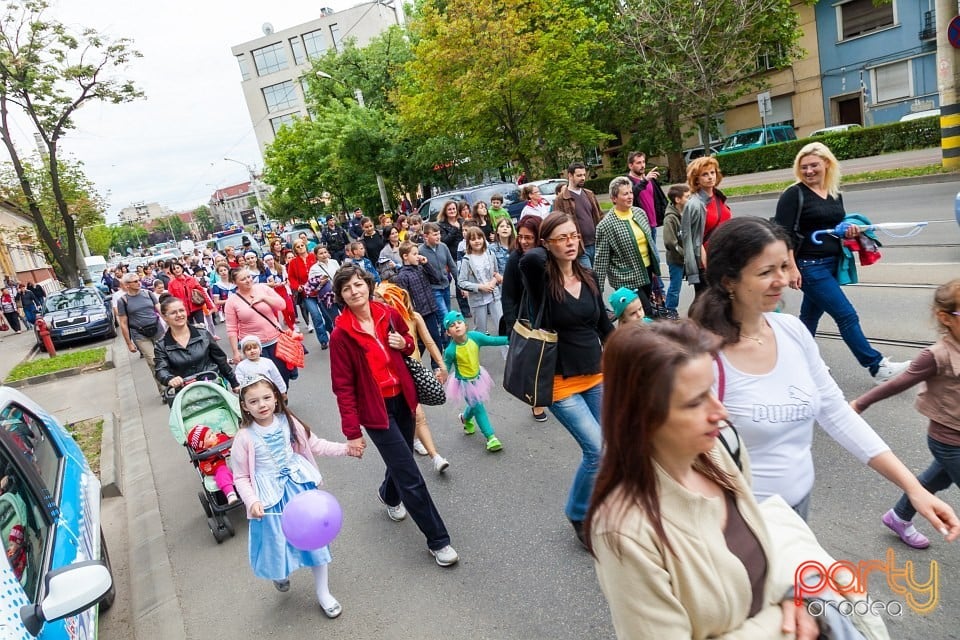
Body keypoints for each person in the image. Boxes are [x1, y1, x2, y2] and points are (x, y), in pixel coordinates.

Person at [688, 217, 960, 533]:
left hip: (798, 509)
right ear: (728, 281)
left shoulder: (791, 331)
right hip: (739, 519)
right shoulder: (703, 355)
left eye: (784, 266)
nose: (782, 280)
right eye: (765, 272)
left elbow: (835, 413)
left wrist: (914, 488)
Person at [587, 321, 822, 640]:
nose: (720, 412)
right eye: (696, 402)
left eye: (712, 390)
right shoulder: (625, 531)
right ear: (642, 417)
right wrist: (779, 622)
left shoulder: (721, 449)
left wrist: (793, 594)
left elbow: (759, 551)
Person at [329, 264, 459, 567]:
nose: (354, 291)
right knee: (410, 474)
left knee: (401, 463)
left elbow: (407, 341)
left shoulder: (387, 313)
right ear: (341, 296)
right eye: (347, 289)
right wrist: (352, 432)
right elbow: (343, 387)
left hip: (403, 398)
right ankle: (439, 541)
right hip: (375, 411)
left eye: (358, 284)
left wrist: (405, 343)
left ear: (368, 285)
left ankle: (389, 494)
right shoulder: (341, 336)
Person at [775, 141, 908, 383]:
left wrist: (848, 230)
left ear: (827, 164)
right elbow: (783, 234)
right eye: (803, 167)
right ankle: (876, 366)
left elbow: (834, 226)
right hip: (809, 267)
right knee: (846, 315)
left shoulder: (834, 193)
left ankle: (793, 361)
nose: (809, 171)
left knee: (809, 318)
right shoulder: (793, 194)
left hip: (831, 263)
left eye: (814, 165)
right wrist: (791, 267)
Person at [519, 212, 614, 546]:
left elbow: (604, 326)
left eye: (574, 236)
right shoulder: (541, 280)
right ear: (548, 244)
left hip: (596, 372)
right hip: (559, 381)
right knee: (597, 452)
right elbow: (529, 257)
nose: (572, 242)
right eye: (562, 238)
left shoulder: (588, 277)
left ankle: (603, 505)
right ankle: (578, 512)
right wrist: (549, 243)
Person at [232, 376, 361, 617]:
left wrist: (346, 448)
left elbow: (315, 445)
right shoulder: (244, 437)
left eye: (267, 397)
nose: (262, 404)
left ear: (276, 397)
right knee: (276, 544)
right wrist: (253, 501)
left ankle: (323, 593)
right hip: (270, 499)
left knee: (315, 542)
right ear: (244, 406)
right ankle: (278, 573)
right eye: (254, 401)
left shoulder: (288, 421)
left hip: (300, 490)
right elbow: (240, 477)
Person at [852, 278, 960, 549]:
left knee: (934, 479)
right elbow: (899, 383)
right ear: (944, 317)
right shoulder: (936, 355)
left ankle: (898, 517)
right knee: (940, 474)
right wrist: (859, 404)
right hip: (948, 439)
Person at [375, 282, 450, 473]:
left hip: (414, 372)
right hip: (396, 377)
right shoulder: (377, 322)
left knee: (416, 415)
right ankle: (428, 452)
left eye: (382, 298)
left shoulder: (413, 317)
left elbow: (430, 342)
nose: (376, 302)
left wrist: (442, 366)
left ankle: (428, 449)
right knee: (416, 415)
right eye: (376, 297)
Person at [501, 216, 548, 422]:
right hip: (527, 317)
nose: (524, 241)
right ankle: (536, 401)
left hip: (549, 313)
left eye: (529, 237)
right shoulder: (515, 259)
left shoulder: (547, 256)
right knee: (533, 361)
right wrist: (513, 326)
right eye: (520, 237)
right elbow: (508, 295)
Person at [593, 177, 660, 316]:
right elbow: (600, 261)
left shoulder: (639, 213)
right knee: (645, 313)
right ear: (614, 198)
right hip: (626, 279)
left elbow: (650, 244)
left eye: (631, 192)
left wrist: (655, 267)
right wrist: (596, 293)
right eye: (625, 194)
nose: (630, 196)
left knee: (640, 317)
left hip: (646, 272)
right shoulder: (606, 225)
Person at [443, 311, 509, 452]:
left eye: (459, 323)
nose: (457, 326)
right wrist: (440, 376)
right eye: (452, 325)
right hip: (464, 384)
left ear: (465, 326)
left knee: (474, 405)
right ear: (448, 333)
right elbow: (445, 368)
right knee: (479, 407)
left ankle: (465, 418)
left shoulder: (475, 337)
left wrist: (511, 339)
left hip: (479, 377)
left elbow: (492, 341)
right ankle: (491, 437)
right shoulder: (450, 350)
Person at [224, 268, 294, 388]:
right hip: (253, 345)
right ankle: (273, 404)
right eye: (243, 279)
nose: (248, 280)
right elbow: (231, 328)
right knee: (262, 380)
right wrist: (236, 351)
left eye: (249, 277)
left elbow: (282, 305)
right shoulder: (232, 301)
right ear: (235, 282)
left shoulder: (262, 288)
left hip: (276, 340)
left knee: (282, 374)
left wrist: (264, 298)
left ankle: (282, 397)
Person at [154, 296, 239, 391]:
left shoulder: (203, 333)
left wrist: (234, 383)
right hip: (187, 394)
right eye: (173, 313)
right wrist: (169, 379)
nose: (179, 315)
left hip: (214, 387)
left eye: (181, 310)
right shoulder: (161, 345)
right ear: (165, 317)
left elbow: (220, 360)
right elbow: (161, 369)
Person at [681, 156, 731, 299]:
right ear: (696, 179)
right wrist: (707, 266)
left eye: (712, 172)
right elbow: (694, 240)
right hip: (707, 263)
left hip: (724, 258)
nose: (710, 177)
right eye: (705, 174)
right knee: (706, 304)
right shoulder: (694, 204)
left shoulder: (718, 196)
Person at [392, 242, 445, 364]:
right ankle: (413, 364)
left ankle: (435, 366)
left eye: (418, 254)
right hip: (418, 314)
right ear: (405, 256)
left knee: (434, 340)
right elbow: (404, 298)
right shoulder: (402, 276)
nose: (418, 256)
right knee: (422, 343)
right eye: (414, 254)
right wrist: (412, 313)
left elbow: (436, 278)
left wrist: (426, 264)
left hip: (430, 310)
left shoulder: (421, 268)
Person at [117, 272, 165, 396]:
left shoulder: (148, 294)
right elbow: (123, 323)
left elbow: (159, 309)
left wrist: (171, 324)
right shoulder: (123, 301)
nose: (139, 282)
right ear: (127, 285)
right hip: (140, 335)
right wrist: (129, 343)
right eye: (135, 281)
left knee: (167, 357)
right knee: (153, 361)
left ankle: (174, 382)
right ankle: (164, 390)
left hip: (157, 330)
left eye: (139, 280)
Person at [552, 162, 603, 266]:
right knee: (588, 279)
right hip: (579, 248)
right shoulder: (561, 199)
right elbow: (558, 225)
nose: (583, 178)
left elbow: (600, 216)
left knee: (598, 279)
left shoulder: (589, 194)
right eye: (579, 175)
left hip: (597, 244)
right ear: (570, 175)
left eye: (584, 175)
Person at [457, 227, 503, 336]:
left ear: (483, 239)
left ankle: (507, 353)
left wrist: (493, 282)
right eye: (473, 239)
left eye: (479, 238)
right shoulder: (467, 259)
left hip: (494, 295)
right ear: (468, 242)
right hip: (477, 299)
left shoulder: (490, 254)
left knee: (502, 326)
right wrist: (480, 287)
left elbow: (496, 272)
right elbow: (461, 282)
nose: (477, 241)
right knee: (480, 332)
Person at [186, 424, 239, 505]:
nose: (214, 435)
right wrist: (210, 467)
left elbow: (232, 439)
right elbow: (206, 468)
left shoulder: (221, 437)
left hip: (236, 460)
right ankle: (230, 494)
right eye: (210, 436)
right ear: (202, 445)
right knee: (221, 475)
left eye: (212, 433)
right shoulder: (204, 455)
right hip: (222, 467)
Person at [419, 222, 458, 325]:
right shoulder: (420, 251)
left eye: (439, 233)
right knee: (444, 315)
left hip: (445, 286)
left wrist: (459, 283)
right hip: (433, 288)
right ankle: (446, 340)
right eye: (435, 234)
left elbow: (452, 266)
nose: (438, 237)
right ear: (426, 236)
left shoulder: (443, 247)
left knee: (448, 315)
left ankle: (445, 338)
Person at [625, 150, 668, 245]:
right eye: (638, 163)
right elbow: (632, 193)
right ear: (630, 166)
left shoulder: (650, 180)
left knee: (652, 257)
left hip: (652, 225)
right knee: (651, 257)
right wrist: (645, 180)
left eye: (643, 162)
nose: (642, 165)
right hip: (639, 227)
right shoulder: (627, 181)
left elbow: (661, 199)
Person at [661, 183, 690, 319]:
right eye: (687, 197)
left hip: (684, 257)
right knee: (675, 286)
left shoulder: (684, 212)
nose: (690, 200)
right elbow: (669, 242)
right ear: (678, 200)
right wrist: (683, 253)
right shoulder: (670, 218)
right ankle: (670, 309)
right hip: (676, 259)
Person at [167, 261, 213, 327]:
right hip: (183, 310)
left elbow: (202, 292)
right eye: (174, 269)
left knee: (202, 327)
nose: (176, 270)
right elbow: (171, 299)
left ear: (182, 268)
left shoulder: (191, 279)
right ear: (172, 271)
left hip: (196, 306)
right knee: (190, 330)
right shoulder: (171, 283)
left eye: (178, 268)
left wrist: (209, 305)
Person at [285, 239, 316, 333]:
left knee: (325, 315)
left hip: (319, 289)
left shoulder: (313, 256)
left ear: (305, 246)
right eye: (298, 247)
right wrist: (297, 286)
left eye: (302, 245)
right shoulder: (293, 262)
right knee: (315, 314)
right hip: (305, 292)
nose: (301, 247)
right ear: (295, 250)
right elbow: (291, 278)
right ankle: (323, 339)